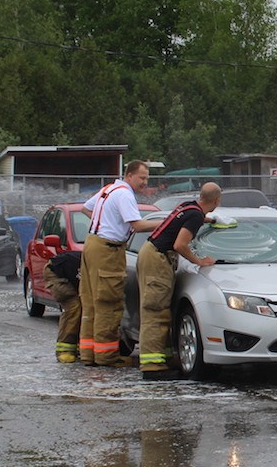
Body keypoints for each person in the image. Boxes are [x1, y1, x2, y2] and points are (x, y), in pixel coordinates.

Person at [137, 183, 222, 380]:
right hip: (157, 258)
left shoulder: (189, 207)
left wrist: (208, 220)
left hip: (151, 253)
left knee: (161, 310)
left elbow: (183, 222)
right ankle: (152, 368)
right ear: (217, 200)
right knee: (155, 310)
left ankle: (162, 361)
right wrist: (199, 261)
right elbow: (180, 244)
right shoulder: (195, 215)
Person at [79, 161, 156, 367]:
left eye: (147, 178)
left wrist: (106, 223)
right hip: (108, 250)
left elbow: (87, 209)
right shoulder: (124, 194)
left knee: (91, 302)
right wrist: (168, 223)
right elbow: (138, 226)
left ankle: (88, 353)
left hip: (92, 245)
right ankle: (106, 356)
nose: (145, 182)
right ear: (129, 175)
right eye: (142, 178)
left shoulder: (110, 189)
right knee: (108, 303)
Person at [44, 248, 82, 363]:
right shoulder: (87, 265)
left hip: (66, 272)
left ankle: (78, 345)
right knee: (74, 307)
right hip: (55, 274)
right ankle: (64, 350)